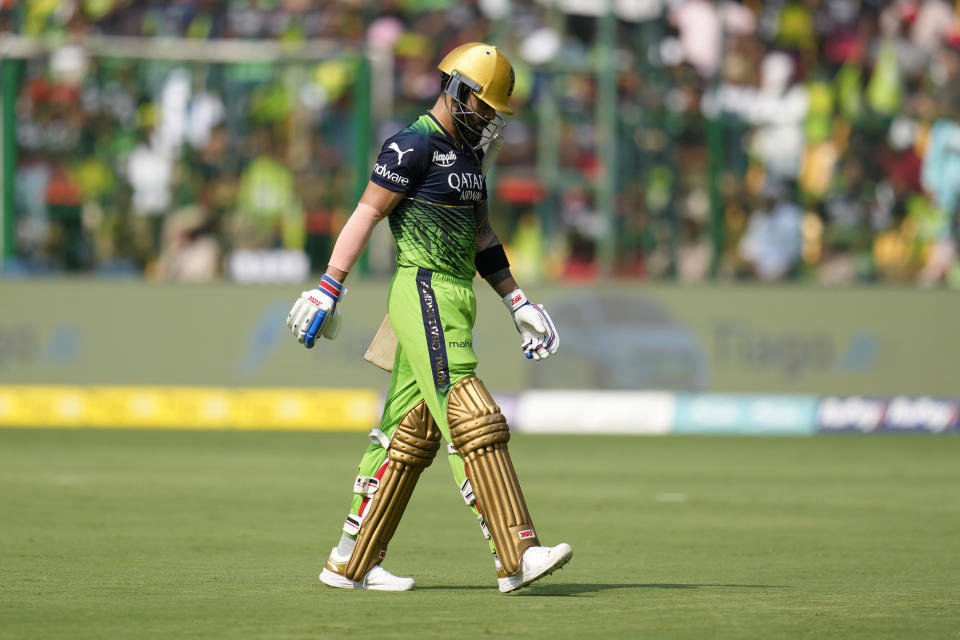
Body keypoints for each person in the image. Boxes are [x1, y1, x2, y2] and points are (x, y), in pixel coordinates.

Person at [285, 43, 571, 593]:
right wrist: (329, 287)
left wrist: (517, 301)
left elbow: (481, 236)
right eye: (485, 107)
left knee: (404, 432)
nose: (489, 120)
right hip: (423, 291)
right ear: (459, 92)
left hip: (454, 296)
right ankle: (517, 552)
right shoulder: (411, 145)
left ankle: (351, 560)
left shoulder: (469, 158)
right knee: (472, 415)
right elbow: (366, 213)